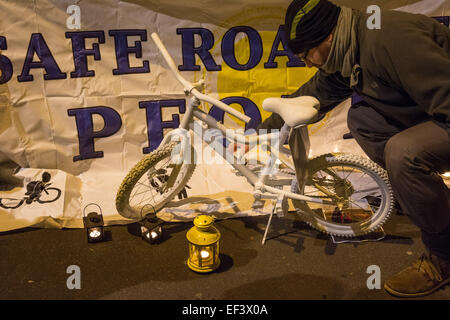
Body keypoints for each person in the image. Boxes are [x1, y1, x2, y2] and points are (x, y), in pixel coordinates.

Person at [257, 0, 450, 297]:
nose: (307, 63)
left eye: (307, 54)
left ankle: (443, 255)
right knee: (364, 120)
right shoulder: (352, 47)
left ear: (329, 36)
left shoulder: (391, 40)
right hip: (436, 110)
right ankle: (417, 196)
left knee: (403, 153)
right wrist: (260, 133)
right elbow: (317, 92)